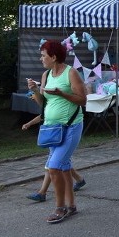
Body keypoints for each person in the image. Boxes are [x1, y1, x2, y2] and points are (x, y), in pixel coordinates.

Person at [27, 40, 87, 223]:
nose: (41, 59)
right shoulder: (46, 75)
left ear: (53, 57)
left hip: (70, 127)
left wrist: (62, 94)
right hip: (53, 129)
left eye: (43, 55)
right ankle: (71, 206)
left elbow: (83, 100)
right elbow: (44, 104)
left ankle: (60, 208)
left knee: (53, 167)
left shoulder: (71, 73)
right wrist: (36, 91)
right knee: (64, 168)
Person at [23, 114, 86, 201]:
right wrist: (29, 123)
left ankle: (42, 193)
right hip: (53, 133)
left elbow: (45, 114)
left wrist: (29, 123)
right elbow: (44, 115)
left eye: (33, 98)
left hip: (60, 132)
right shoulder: (49, 106)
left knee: (53, 163)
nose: (33, 99)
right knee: (60, 161)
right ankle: (79, 180)